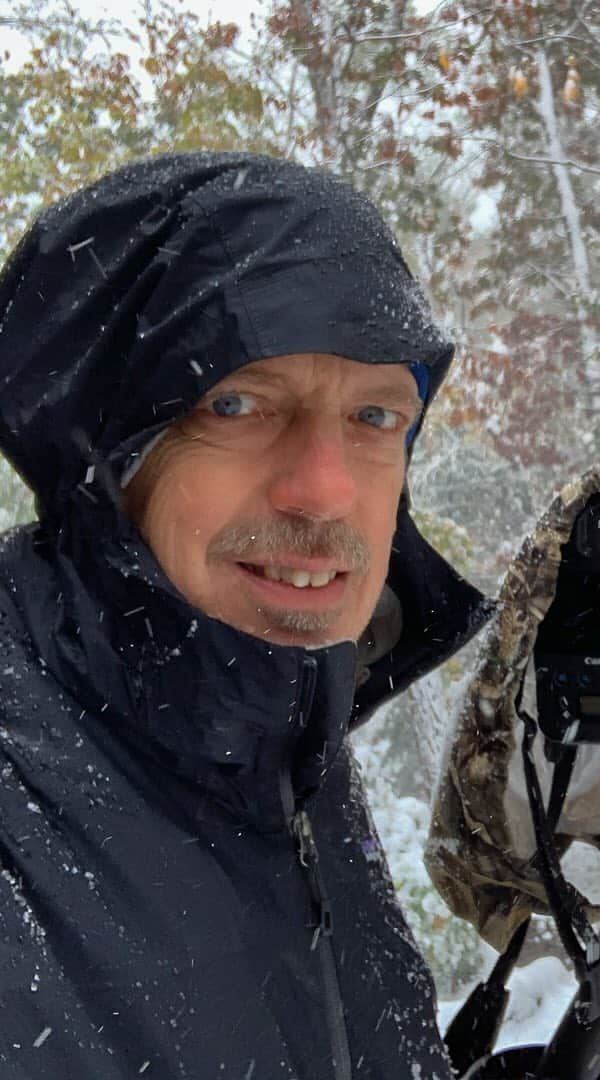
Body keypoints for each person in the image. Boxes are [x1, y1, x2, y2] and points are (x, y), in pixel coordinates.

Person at [0, 153, 489, 1079]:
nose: (327, 491)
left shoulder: (275, 740)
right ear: (109, 451)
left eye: (377, 419)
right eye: (237, 403)